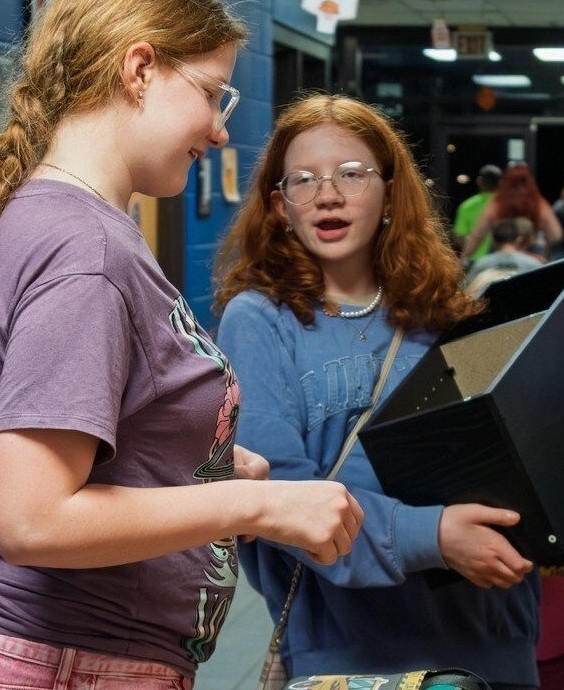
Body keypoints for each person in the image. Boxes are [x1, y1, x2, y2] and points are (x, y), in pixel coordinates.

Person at [0, 0, 362, 686]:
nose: (221, 133)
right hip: (64, 665)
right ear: (139, 69)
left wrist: (199, 464)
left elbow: (106, 448)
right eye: (213, 95)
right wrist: (258, 503)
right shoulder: (85, 252)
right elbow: (35, 519)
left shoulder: (73, 226)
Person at [213, 94, 542, 688]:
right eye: (304, 180)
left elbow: (500, 447)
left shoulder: (444, 311)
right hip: (349, 649)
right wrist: (434, 534)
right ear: (279, 206)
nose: (328, 193)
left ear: (391, 194)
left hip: (489, 629)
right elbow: (281, 493)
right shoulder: (259, 319)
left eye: (352, 174)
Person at [460, 163, 563, 260]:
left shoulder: (498, 203)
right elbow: (556, 235)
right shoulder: (538, 203)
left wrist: (464, 258)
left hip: (500, 255)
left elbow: (478, 235)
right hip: (532, 255)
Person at [465, 216, 543, 287]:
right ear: (518, 239)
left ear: (494, 241)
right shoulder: (533, 264)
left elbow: (467, 288)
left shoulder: (481, 263)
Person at [454, 163, 502, 262]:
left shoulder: (467, 206)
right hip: (502, 259)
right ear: (500, 182)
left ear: (480, 181)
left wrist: (465, 258)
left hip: (474, 260)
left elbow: (461, 237)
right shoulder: (507, 205)